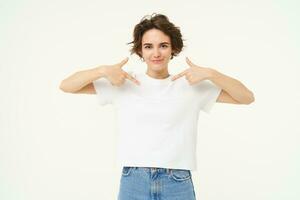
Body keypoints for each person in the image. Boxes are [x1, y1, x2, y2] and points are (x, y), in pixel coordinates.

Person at [59, 13, 255, 200]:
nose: (156, 53)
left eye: (163, 45)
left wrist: (212, 74)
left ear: (173, 49)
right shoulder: (122, 82)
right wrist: (101, 70)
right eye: (148, 46)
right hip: (134, 181)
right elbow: (66, 85)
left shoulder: (191, 85)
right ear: (140, 51)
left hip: (177, 182)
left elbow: (246, 97)